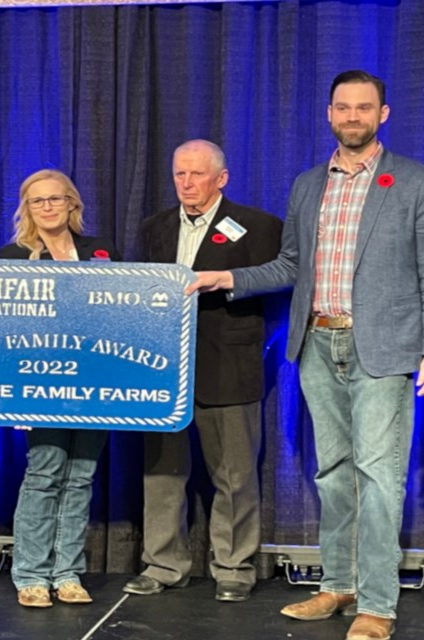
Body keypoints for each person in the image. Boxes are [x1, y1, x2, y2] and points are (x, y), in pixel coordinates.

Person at [189, 71, 424, 639]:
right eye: (342, 107)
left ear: (383, 114)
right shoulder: (309, 184)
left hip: (381, 348)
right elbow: (291, 266)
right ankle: (338, 585)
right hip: (317, 343)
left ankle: (378, 605)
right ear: (329, 113)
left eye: (364, 107)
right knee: (332, 474)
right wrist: (226, 277)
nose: (352, 116)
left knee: (379, 478)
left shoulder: (415, 181)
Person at [123, 140, 282, 603]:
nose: (187, 183)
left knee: (234, 473)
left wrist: (263, 346)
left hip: (229, 362)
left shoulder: (258, 227)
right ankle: (163, 563)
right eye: (179, 175)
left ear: (222, 178)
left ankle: (233, 565)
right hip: (163, 367)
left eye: (196, 175)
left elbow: (280, 291)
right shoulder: (154, 228)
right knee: (162, 472)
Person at [0, 169, 120, 608]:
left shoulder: (102, 253)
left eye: (55, 199)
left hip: (94, 385)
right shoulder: (13, 257)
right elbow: (4, 330)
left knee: (81, 476)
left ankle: (67, 573)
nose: (47, 207)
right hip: (40, 386)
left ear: (72, 203)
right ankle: (30, 573)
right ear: (27, 209)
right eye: (37, 201)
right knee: (45, 472)